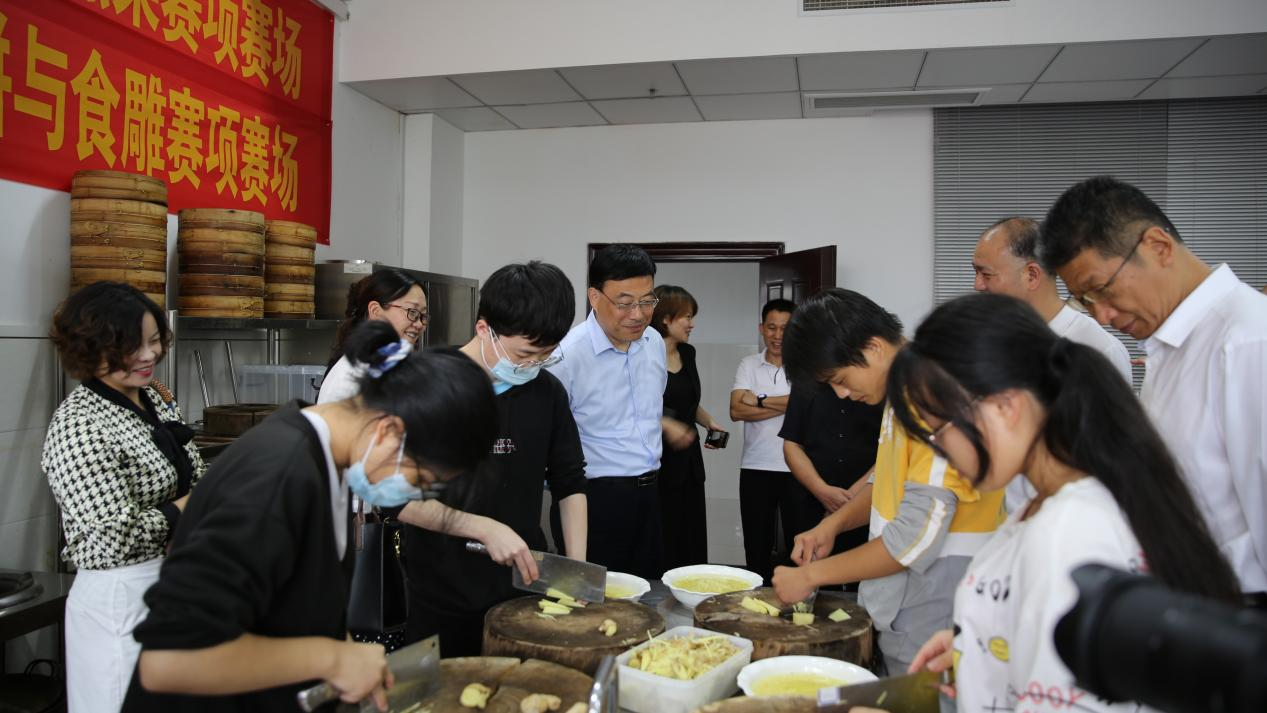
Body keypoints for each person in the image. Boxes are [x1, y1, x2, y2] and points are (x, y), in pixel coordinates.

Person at [890, 293, 1240, 713]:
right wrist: (984, 644)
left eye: (938, 430)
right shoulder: (1049, 504)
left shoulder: (1070, 531)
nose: (939, 450)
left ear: (1006, 407)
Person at [123, 322, 498, 711]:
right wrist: (332, 659)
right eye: (420, 479)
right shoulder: (276, 479)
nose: (413, 494)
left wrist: (348, 653)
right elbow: (168, 661)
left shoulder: (328, 461)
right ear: (389, 431)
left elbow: (296, 601)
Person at [1040, 176, 1267, 603]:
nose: (1102, 317)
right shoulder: (1169, 347)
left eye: (1102, 290)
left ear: (1158, 247)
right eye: (1085, 301)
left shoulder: (1247, 343)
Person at [772, 288, 1005, 675]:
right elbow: (890, 482)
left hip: (934, 610)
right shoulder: (903, 394)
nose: (842, 394)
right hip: (907, 603)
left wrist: (810, 576)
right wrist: (834, 524)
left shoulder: (930, 396)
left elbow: (915, 537)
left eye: (840, 379)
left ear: (874, 348)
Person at [401, 261, 588, 657]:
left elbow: (570, 483)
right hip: (440, 594)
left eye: (546, 356)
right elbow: (398, 500)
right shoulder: (427, 386)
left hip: (523, 589)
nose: (533, 365)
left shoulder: (547, 393)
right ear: (484, 329)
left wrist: (576, 572)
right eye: (525, 354)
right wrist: (482, 527)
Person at [43, 282, 208, 713]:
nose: (149, 355)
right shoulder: (79, 424)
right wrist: (186, 508)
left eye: (154, 341)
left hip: (175, 582)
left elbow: (196, 473)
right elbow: (113, 537)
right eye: (132, 346)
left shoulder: (155, 397)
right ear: (90, 347)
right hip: (122, 596)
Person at [548, 244, 692, 580]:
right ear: (595, 297)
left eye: (647, 301)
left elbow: (642, 408)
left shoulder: (653, 343)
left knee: (648, 595)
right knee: (597, 600)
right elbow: (550, 438)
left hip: (650, 494)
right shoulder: (567, 356)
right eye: (625, 303)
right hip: (594, 501)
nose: (638, 314)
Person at [971, 216, 1133, 512]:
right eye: (976, 272)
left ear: (1032, 275)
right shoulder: (998, 343)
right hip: (1012, 519)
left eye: (986, 274)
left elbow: (1111, 458)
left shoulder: (1097, 349)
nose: (977, 285)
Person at [779, 382, 883, 590]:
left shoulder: (886, 387)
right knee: (811, 572)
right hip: (810, 498)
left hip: (866, 500)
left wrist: (851, 498)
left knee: (861, 576)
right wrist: (821, 490)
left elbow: (889, 455)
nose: (843, 392)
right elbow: (792, 444)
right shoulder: (806, 383)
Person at [651, 284, 726, 569]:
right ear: (665, 318)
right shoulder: (643, 355)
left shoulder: (688, 353)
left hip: (689, 458)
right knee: (664, 534)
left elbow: (689, 402)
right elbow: (633, 406)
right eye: (687, 317)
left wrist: (709, 422)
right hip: (658, 460)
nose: (692, 324)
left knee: (691, 533)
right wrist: (667, 424)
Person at [730, 299, 796, 584]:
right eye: (771, 327)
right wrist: (789, 404)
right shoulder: (749, 364)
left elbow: (805, 405)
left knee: (799, 544)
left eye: (785, 328)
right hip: (755, 467)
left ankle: (797, 600)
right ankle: (755, 598)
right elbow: (736, 411)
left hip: (799, 469)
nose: (778, 335)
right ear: (761, 328)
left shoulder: (806, 366)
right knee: (756, 544)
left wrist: (757, 400)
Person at [319, 268, 427, 404]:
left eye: (423, 315)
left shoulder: (387, 366)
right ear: (375, 311)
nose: (419, 324)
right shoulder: (356, 374)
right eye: (412, 312)